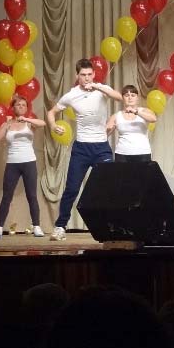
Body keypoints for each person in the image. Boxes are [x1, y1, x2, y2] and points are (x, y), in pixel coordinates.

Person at [46, 58, 122, 241]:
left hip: (101, 147)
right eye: (83, 75)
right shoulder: (71, 95)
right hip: (81, 148)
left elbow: (119, 97)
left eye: (89, 74)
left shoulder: (101, 89)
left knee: (110, 187)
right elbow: (51, 112)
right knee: (72, 188)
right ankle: (60, 226)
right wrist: (53, 125)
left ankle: (114, 226)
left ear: (94, 74)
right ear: (77, 76)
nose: (87, 78)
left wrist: (98, 87)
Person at [0, 94, 46, 238]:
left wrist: (26, 119)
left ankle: (37, 226)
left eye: (23, 105)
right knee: (7, 196)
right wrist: (6, 125)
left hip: (29, 162)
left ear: (26, 108)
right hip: (12, 163)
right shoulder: (7, 124)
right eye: (18, 105)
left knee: (32, 196)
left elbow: (43, 123)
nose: (21, 107)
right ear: (13, 107)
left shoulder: (29, 123)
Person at [106, 84, 156, 162]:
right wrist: (108, 129)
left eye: (133, 95)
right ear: (123, 98)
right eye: (127, 95)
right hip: (122, 154)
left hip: (143, 153)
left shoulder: (144, 111)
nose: (130, 98)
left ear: (137, 98)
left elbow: (153, 119)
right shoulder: (117, 115)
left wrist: (136, 111)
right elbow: (104, 134)